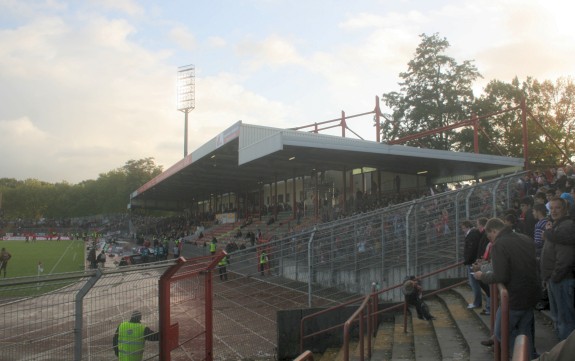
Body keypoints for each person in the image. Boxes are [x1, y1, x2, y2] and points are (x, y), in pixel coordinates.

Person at [473, 217, 540, 358]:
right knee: (525, 332)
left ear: (494, 230)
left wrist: (481, 276)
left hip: (514, 296)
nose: (489, 239)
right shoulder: (525, 238)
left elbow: (501, 276)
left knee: (500, 332)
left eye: (489, 235)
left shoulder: (499, 244)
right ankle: (529, 356)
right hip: (531, 293)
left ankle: (517, 356)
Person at [541, 197, 575, 341]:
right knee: (559, 319)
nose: (553, 211)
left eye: (557, 208)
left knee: (565, 320)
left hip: (562, 280)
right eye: (551, 208)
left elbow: (565, 258)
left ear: (565, 209)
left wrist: (554, 277)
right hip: (555, 280)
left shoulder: (566, 226)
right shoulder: (557, 226)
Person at [461, 220, 482, 309]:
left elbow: (471, 249)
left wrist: (467, 261)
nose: (462, 230)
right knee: (475, 283)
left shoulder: (472, 234)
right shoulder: (474, 233)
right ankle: (477, 302)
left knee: (474, 283)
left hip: (472, 263)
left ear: (466, 226)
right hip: (473, 261)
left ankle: (477, 303)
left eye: (462, 228)